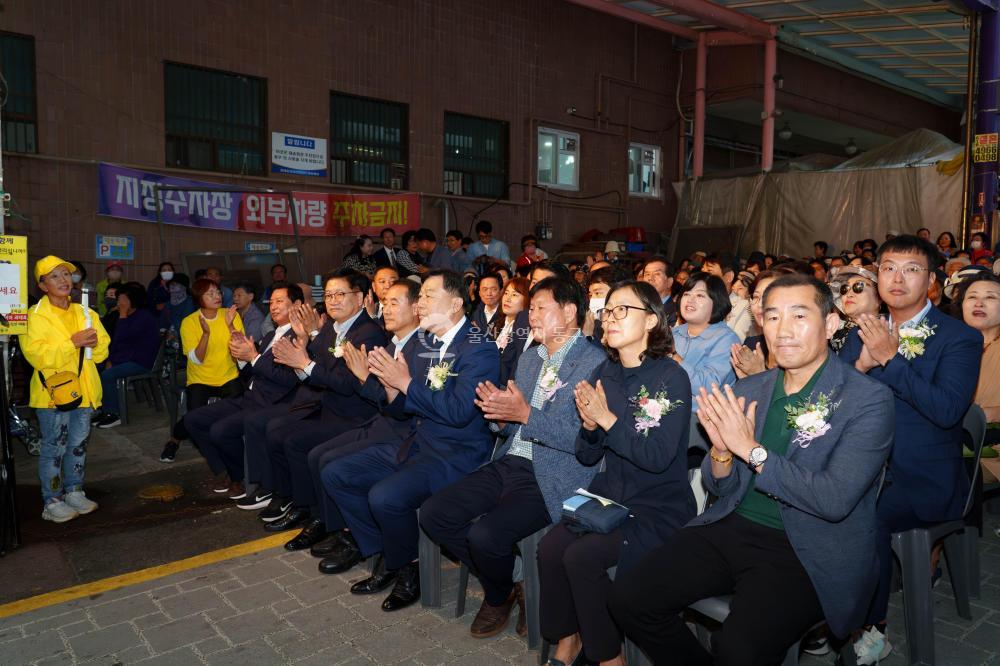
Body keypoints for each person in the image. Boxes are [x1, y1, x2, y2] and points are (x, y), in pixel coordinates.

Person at [610, 273, 894, 666]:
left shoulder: (867, 399)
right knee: (628, 598)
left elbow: (833, 499)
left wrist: (753, 451)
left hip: (807, 547)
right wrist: (723, 454)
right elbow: (719, 487)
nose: (784, 330)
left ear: (830, 324)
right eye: (772, 317)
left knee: (738, 648)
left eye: (799, 316)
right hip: (734, 525)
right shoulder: (751, 388)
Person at [420, 277, 606, 639]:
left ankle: (498, 591)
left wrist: (524, 416)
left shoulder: (594, 363)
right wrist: (501, 417)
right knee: (434, 514)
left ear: (569, 313)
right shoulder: (531, 357)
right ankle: (507, 584)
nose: (530, 316)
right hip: (509, 461)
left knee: (487, 535)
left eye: (540, 308)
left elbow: (585, 442)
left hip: (553, 472)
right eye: (531, 308)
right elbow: (511, 426)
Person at [320, 270, 500, 612]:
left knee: (385, 496)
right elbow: (405, 409)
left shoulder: (479, 349)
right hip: (418, 441)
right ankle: (383, 549)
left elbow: (461, 411)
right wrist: (392, 389)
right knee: (337, 473)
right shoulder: (425, 343)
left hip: (455, 454)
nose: (421, 303)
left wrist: (404, 384)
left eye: (430, 296)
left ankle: (408, 568)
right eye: (422, 297)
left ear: (457, 304)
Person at [840, 234, 982, 663]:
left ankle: (872, 627)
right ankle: (817, 608)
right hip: (863, 464)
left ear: (932, 281)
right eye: (887, 267)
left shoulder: (958, 338)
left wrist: (890, 359)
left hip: (922, 477)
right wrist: (861, 362)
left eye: (911, 269)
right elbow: (832, 403)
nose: (897, 278)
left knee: (865, 516)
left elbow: (946, 411)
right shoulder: (863, 330)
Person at [538, 280, 694, 666]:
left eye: (622, 310)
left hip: (657, 505)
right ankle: (568, 638)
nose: (610, 318)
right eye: (607, 310)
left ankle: (609, 658)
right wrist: (591, 429)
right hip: (608, 494)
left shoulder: (671, 378)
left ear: (652, 321)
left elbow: (657, 458)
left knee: (582, 558)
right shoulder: (604, 372)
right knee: (550, 548)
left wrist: (606, 420)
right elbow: (588, 457)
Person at [254, 269, 387, 537]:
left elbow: (346, 384)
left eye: (340, 294)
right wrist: (303, 348)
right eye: (328, 295)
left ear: (360, 297)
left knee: (298, 443)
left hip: (354, 416)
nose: (333, 300)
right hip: (328, 406)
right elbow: (314, 370)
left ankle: (320, 516)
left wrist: (304, 362)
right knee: (278, 432)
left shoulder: (367, 333)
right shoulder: (331, 329)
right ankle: (302, 502)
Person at [307, 279, 429, 560]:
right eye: (384, 304)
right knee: (321, 457)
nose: (385, 309)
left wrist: (362, 377)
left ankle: (366, 541)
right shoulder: (391, 345)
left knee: (332, 465)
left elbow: (401, 405)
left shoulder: (422, 348)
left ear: (416, 308)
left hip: (401, 431)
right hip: (381, 422)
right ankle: (353, 533)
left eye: (394, 303)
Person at [184, 284, 307, 498]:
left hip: (270, 402)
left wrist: (253, 357)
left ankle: (239, 477)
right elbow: (253, 369)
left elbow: (288, 380)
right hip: (249, 395)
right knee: (193, 419)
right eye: (271, 302)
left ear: (296, 305)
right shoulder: (270, 336)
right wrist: (243, 355)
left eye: (280, 301)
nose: (273, 307)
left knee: (220, 430)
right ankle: (225, 470)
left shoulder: (299, 337)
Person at [24, 256, 111, 523]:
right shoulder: (35, 316)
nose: (63, 280)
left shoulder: (86, 313)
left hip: (84, 390)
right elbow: (36, 355)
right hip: (52, 395)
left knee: (78, 445)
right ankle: (51, 500)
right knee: (54, 447)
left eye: (66, 275)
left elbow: (101, 353)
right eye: (55, 276)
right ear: (42, 285)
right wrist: (72, 343)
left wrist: (94, 344)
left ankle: (74, 490)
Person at [159, 279, 245, 463]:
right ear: (199, 299)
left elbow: (242, 352)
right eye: (210, 294)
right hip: (201, 379)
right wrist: (205, 334)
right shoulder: (189, 322)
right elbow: (196, 359)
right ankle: (174, 440)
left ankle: (230, 446)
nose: (217, 296)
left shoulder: (230, 315)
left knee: (239, 408)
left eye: (218, 292)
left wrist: (230, 326)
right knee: (194, 417)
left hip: (228, 376)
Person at [94, 284, 161, 428]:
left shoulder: (144, 317)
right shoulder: (126, 316)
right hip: (126, 358)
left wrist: (122, 315)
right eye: (119, 299)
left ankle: (114, 414)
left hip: (141, 361)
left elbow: (124, 339)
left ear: (133, 300)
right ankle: (103, 409)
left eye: (123, 299)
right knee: (96, 367)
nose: (119, 303)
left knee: (108, 375)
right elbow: (116, 343)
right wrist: (111, 360)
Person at [672, 273, 740, 408]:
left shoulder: (726, 339)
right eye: (686, 294)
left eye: (700, 295)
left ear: (716, 302)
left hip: (700, 418)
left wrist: (673, 355)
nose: (690, 300)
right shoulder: (673, 333)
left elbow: (708, 387)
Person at [959, 272, 1000, 437]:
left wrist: (991, 414)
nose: (979, 304)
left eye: (990, 297)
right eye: (971, 297)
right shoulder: (943, 345)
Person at [828, 266, 881, 353]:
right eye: (844, 288)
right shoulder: (831, 331)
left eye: (858, 286)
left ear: (879, 298)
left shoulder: (897, 332)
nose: (849, 294)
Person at [494, 277, 531, 384]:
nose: (507, 298)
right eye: (506, 293)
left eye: (514, 295)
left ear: (527, 299)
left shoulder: (525, 332)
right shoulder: (497, 324)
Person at [640, 256, 675, 325]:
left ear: (669, 282)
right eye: (647, 274)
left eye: (657, 274)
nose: (650, 278)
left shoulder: (676, 314)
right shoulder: (636, 306)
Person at [471, 272, 503, 339]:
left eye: (493, 289)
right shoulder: (476, 314)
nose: (489, 293)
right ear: (479, 293)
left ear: (501, 291)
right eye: (485, 289)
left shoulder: (506, 314)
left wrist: (480, 333)